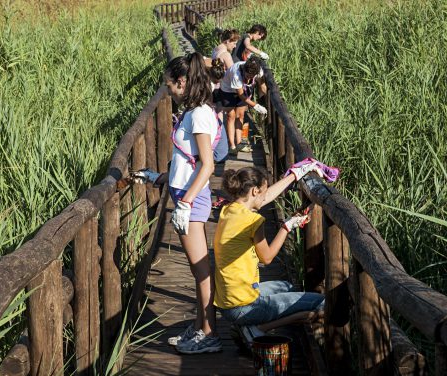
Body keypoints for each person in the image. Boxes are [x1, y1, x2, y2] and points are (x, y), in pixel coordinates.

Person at [134, 52, 222, 354]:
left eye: (169, 85)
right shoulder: (194, 110)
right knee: (198, 270)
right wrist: (158, 178)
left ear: (182, 82)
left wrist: (184, 203)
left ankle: (209, 333)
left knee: (201, 271)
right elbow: (189, 161)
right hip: (186, 195)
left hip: (192, 200)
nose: (168, 91)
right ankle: (199, 326)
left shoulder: (198, 116)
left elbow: (207, 165)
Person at [213, 165, 326, 333]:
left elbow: (262, 199)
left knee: (286, 286)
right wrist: (286, 227)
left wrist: (294, 175)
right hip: (246, 308)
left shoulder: (229, 210)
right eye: (264, 192)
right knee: (320, 301)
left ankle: (251, 326)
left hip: (227, 302)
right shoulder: (252, 221)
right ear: (254, 191)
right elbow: (266, 258)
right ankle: (257, 329)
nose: (266, 197)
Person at [219, 56, 267, 154]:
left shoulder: (259, 71)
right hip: (228, 89)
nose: (249, 78)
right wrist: (256, 106)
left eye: (252, 76)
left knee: (240, 115)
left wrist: (264, 98)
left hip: (243, 88)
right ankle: (232, 146)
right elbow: (241, 95)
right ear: (244, 69)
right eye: (247, 75)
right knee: (231, 116)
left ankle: (239, 143)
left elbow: (262, 85)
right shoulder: (236, 74)